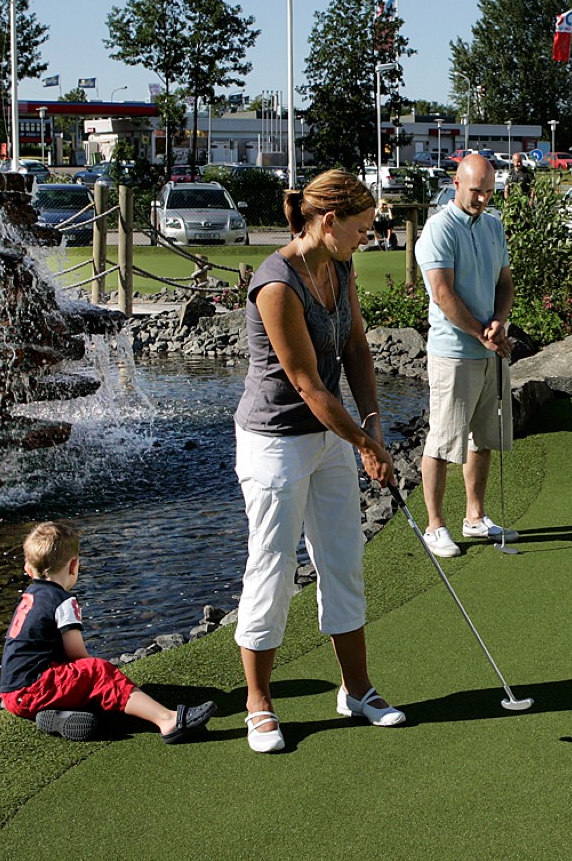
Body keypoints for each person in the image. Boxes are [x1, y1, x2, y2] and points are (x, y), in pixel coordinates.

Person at [234, 169, 403, 754]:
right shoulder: (276, 283)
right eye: (359, 227)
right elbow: (305, 382)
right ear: (327, 221)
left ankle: (356, 688)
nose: (367, 237)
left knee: (342, 557)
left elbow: (355, 345)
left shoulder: (341, 266)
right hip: (275, 440)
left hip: (329, 434)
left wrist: (374, 425)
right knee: (274, 569)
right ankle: (258, 703)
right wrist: (363, 444)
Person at [0, 520, 215, 743]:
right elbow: (77, 655)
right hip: (34, 689)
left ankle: (59, 716)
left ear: (27, 570)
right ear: (74, 566)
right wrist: (104, 677)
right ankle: (168, 720)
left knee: (84, 679)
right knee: (97, 671)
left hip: (12, 695)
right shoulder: (62, 601)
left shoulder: (29, 597)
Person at [415, 153, 516, 558]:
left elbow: (504, 282)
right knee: (442, 441)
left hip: (489, 346)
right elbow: (443, 295)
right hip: (453, 353)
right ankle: (434, 525)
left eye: (489, 191)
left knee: (483, 436)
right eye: (476, 190)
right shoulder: (439, 229)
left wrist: (499, 321)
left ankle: (474, 518)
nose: (482, 199)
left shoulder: (493, 225)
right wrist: (481, 332)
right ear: (456, 183)